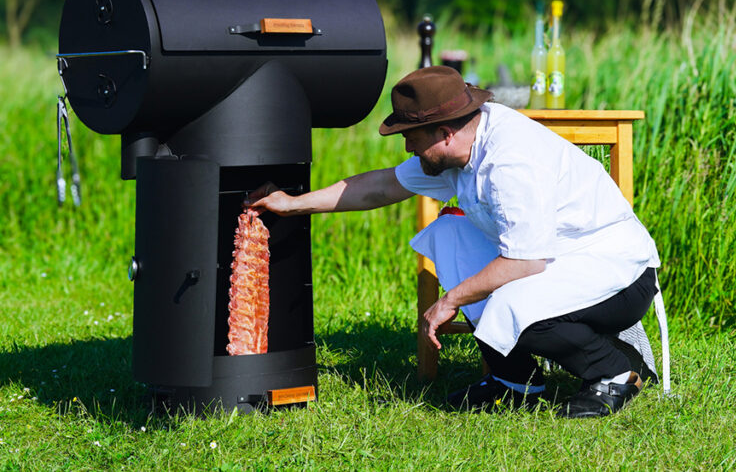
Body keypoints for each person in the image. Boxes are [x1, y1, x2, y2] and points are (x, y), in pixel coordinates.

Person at [246, 66, 661, 418]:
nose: (407, 147)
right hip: (555, 258)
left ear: (443, 133)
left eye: (411, 136)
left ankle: (613, 374)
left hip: (618, 273)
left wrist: (449, 302)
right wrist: (294, 204)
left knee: (513, 304)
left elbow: (526, 262)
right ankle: (514, 382)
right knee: (448, 235)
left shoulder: (510, 161)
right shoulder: (459, 146)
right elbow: (380, 187)